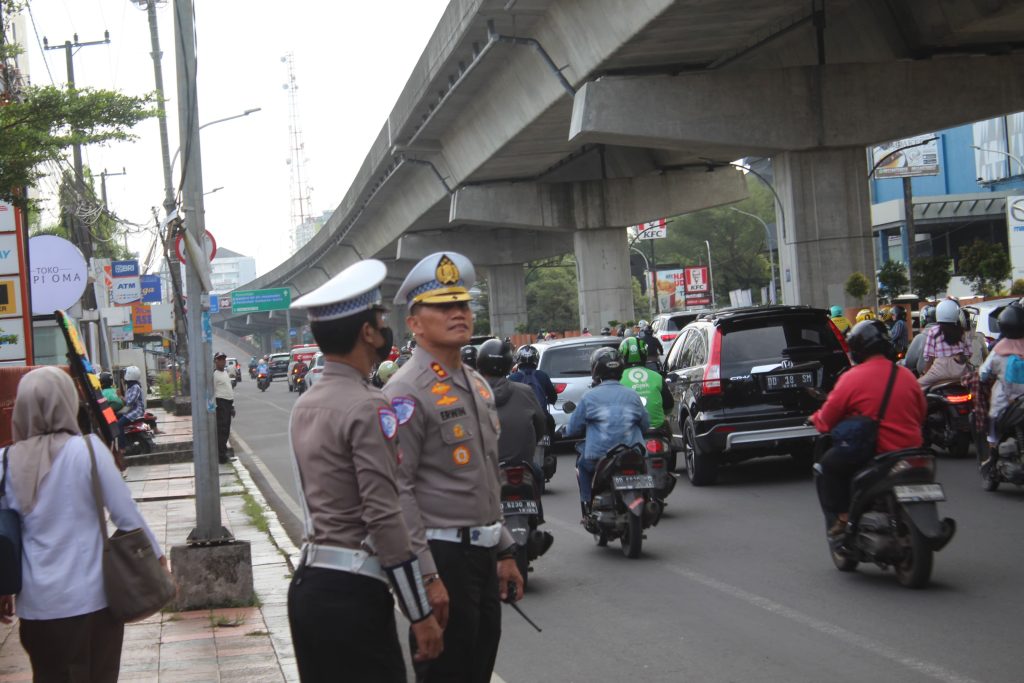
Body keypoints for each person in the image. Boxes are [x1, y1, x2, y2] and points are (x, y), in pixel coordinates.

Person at [286, 260, 442, 682]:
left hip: (309, 587)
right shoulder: (369, 405)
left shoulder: (305, 404)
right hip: (352, 594)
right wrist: (419, 611)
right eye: (379, 319)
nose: (384, 327)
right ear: (367, 333)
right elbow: (384, 514)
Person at [384, 251, 523, 683]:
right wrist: (426, 576)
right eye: (443, 307)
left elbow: (483, 477)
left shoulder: (477, 383)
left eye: (462, 304)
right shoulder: (404, 393)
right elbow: (398, 492)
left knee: (477, 669)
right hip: (443, 557)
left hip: (482, 554)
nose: (458, 314)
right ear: (414, 322)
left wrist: (503, 549)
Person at [0, 366, 166, 681]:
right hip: (93, 602)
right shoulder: (88, 450)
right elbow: (126, 515)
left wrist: (3, 588)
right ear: (67, 403)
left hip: (36, 608)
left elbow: (4, 537)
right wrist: (157, 557)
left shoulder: (5, 460)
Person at [810, 321, 926, 536]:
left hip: (877, 454)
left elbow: (827, 418)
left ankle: (844, 519)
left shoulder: (852, 378)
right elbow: (921, 413)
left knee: (827, 466)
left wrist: (814, 419)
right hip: (912, 451)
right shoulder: (907, 376)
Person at [561, 347, 650, 519]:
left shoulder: (589, 397)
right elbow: (645, 424)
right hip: (633, 452)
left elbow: (572, 429)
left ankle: (587, 505)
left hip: (599, 457)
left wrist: (567, 431)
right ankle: (649, 497)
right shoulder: (632, 395)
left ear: (596, 369)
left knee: (582, 466)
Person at [477, 339, 547, 518]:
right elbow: (541, 425)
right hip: (523, 463)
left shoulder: (471, 394)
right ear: (509, 364)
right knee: (537, 474)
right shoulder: (525, 391)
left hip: (487, 468)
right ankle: (537, 517)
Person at [978, 304, 1024, 456]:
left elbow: (983, 373)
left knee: (992, 422)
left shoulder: (998, 351)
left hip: (1005, 403)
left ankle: (992, 454)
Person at [618, 337, 673, 435]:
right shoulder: (657, 377)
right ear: (645, 354)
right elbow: (669, 405)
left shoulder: (618, 379)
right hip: (658, 430)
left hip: (630, 432)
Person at [918, 299, 972, 389]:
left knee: (916, 386)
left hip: (939, 371)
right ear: (956, 314)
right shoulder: (962, 332)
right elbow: (969, 353)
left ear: (938, 314)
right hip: (960, 370)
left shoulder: (933, 331)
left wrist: (924, 373)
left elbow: (929, 357)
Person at [509, 345, 557, 413]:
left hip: (520, 417)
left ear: (518, 359)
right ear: (536, 359)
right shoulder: (542, 375)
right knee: (551, 422)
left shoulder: (513, 377)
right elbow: (553, 397)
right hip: (541, 415)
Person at [116, 366, 146, 451]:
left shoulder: (135, 387)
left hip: (136, 410)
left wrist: (121, 397)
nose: (124, 375)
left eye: (125, 373)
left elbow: (130, 402)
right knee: (116, 417)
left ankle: (123, 447)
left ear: (129, 375)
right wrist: (120, 396)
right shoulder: (130, 387)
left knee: (119, 424)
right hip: (131, 409)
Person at [213, 352, 235, 464]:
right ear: (215, 361)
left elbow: (229, 389)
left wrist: (232, 406)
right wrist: (216, 407)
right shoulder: (214, 375)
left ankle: (224, 452)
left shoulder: (225, 373)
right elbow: (213, 392)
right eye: (219, 359)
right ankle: (221, 455)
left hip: (228, 404)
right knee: (221, 430)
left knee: (226, 430)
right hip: (220, 404)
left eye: (223, 359)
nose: (222, 361)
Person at [903, 305, 937, 375]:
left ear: (923, 318)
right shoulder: (948, 334)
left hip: (928, 377)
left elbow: (909, 362)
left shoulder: (920, 337)